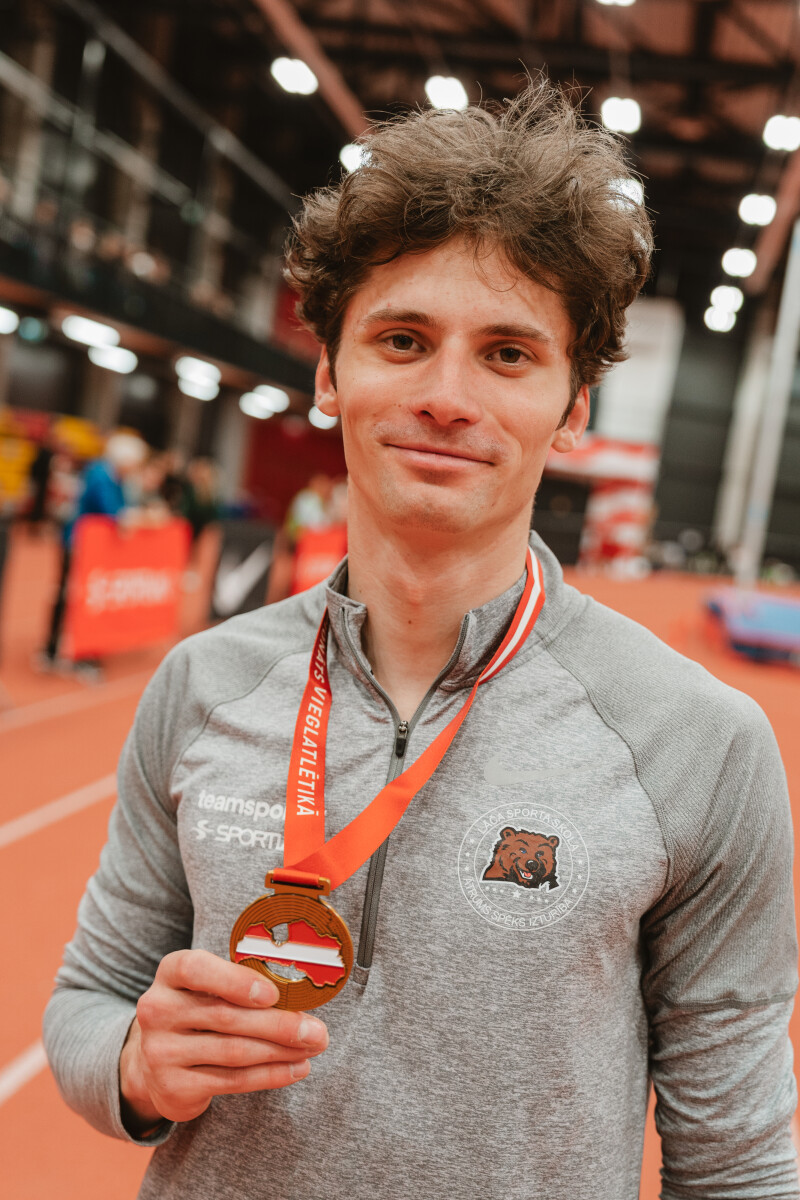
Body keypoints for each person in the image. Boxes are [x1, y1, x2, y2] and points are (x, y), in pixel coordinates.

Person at [44, 81, 798, 1198]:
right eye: (403, 340)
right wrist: (135, 1066)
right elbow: (89, 1002)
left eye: (508, 354)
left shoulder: (695, 741)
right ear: (329, 371)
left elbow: (738, 1161)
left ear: (573, 407)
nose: (447, 396)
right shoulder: (205, 682)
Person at [37, 431, 149, 678]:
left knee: (82, 597)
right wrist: (137, 517)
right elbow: (114, 511)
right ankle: (56, 651)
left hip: (92, 548)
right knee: (71, 595)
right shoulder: (101, 474)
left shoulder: (115, 477)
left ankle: (71, 651)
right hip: (78, 545)